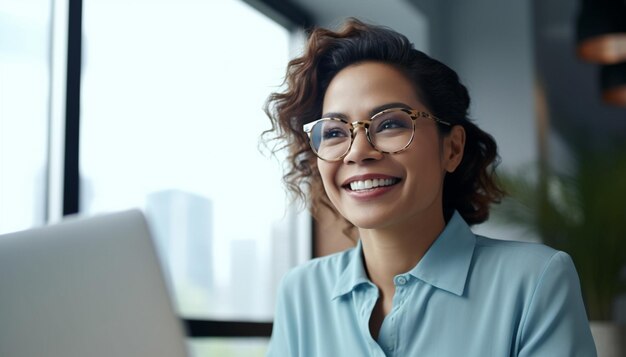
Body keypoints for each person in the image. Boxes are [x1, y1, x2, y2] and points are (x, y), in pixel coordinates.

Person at [263, 18, 596, 356]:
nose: (358, 151)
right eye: (334, 132)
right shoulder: (301, 292)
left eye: (390, 123)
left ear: (451, 149)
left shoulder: (534, 280)